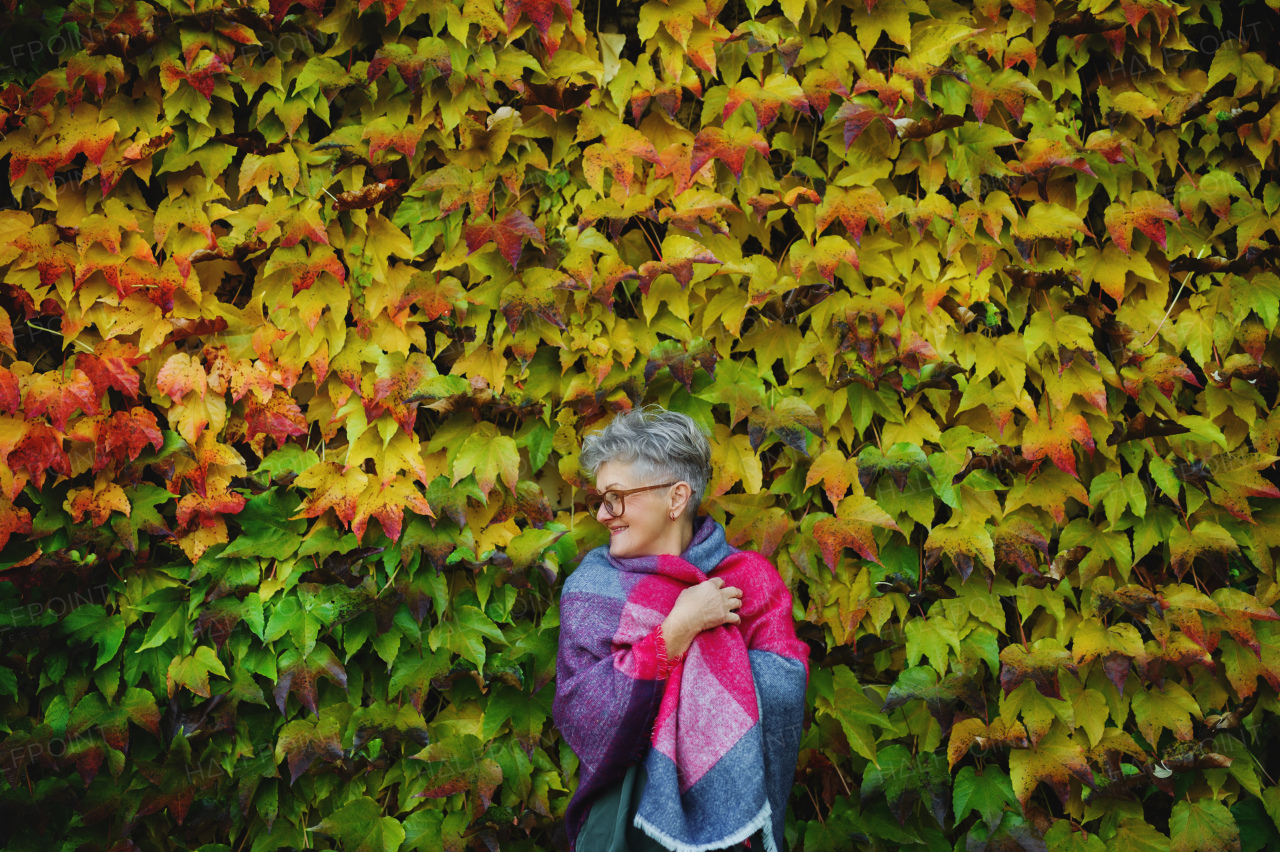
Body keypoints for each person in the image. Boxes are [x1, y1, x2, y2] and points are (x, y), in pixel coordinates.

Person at [552, 406, 810, 852]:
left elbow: (786, 687)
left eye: (616, 496)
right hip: (625, 826)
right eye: (600, 499)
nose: (602, 514)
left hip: (731, 831)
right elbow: (581, 713)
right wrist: (678, 629)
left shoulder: (749, 578)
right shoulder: (591, 591)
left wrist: (705, 653)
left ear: (675, 498)